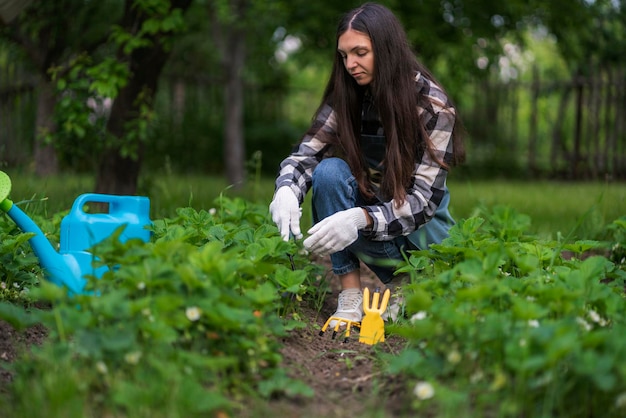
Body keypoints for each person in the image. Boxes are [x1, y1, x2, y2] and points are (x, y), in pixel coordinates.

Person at [269, 2, 465, 325]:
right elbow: (307, 153)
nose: (350, 64)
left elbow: (421, 204)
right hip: (376, 218)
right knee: (329, 173)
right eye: (344, 55)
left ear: (387, 49)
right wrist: (287, 188)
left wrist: (359, 218)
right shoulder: (348, 96)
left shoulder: (432, 106)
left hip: (422, 238)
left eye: (360, 52)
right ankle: (350, 298)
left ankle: (408, 281)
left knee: (393, 231)